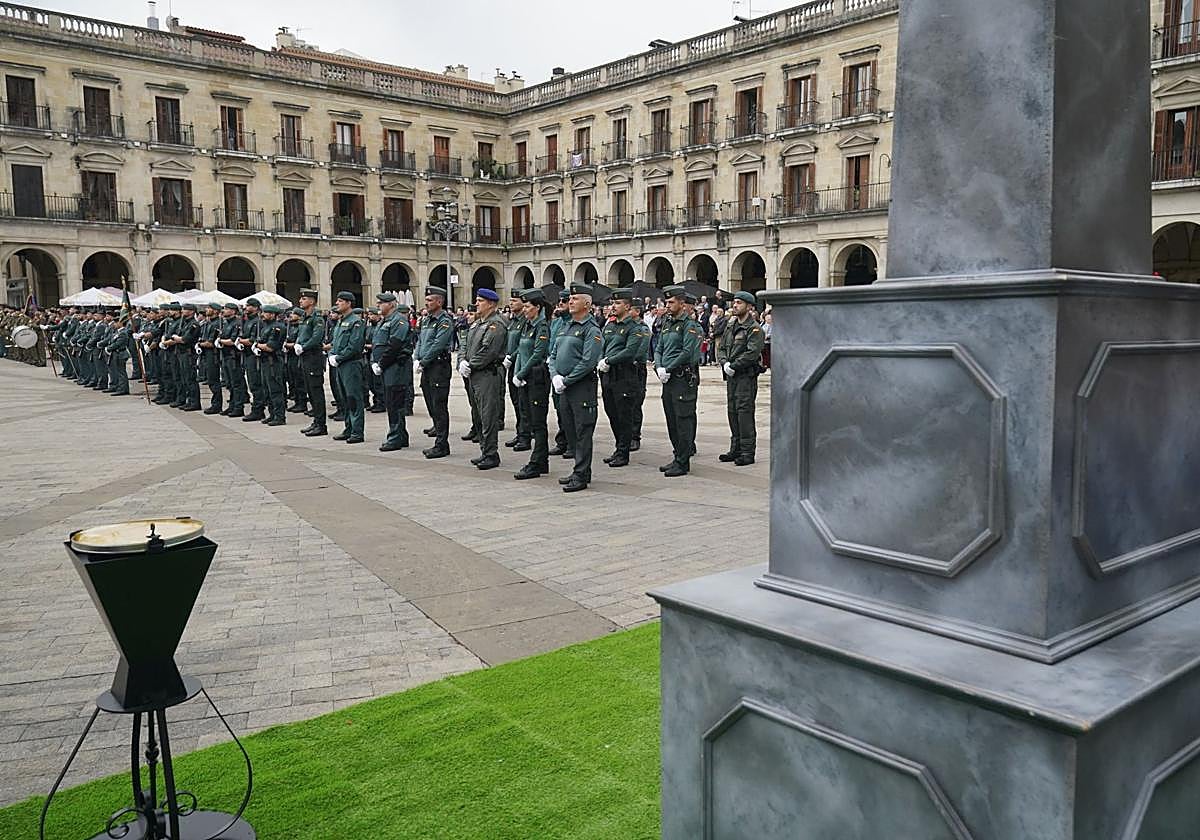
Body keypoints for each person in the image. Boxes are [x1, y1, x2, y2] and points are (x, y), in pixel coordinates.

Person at [550, 283, 602, 492]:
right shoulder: (566, 326)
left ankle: (581, 474)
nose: (570, 302)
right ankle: (579, 470)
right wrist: (555, 376)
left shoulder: (591, 330)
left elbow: (588, 361)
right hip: (564, 387)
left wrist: (567, 379)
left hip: (581, 387)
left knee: (582, 431)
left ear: (587, 304)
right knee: (570, 430)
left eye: (575, 299)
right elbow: (553, 355)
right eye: (570, 299)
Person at [654, 285, 702, 477]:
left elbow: (687, 352)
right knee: (671, 419)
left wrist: (669, 367)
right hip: (668, 378)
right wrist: (659, 367)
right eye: (666, 302)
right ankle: (677, 456)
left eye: (671, 302)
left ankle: (683, 461)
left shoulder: (689, 325)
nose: (667, 305)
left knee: (683, 420)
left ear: (682, 304)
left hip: (682, 378)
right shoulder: (667, 323)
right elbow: (658, 348)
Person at [459, 289, 507, 469]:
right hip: (474, 374)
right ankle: (484, 450)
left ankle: (491, 453)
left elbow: (489, 351)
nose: (476, 303)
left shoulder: (496, 325)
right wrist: (462, 360)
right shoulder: (477, 324)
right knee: (477, 414)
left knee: (488, 416)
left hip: (487, 374)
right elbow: (465, 344)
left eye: (480, 301)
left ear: (491, 304)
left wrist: (470, 364)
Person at [717, 291, 765, 466]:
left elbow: (752, 353)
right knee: (732, 411)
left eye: (739, 303)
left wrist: (734, 365)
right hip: (731, 375)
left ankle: (747, 451)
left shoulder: (754, 329)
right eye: (734, 303)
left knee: (744, 412)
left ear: (749, 306)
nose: (734, 306)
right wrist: (724, 363)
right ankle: (735, 448)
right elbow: (721, 348)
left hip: (745, 376)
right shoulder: (731, 326)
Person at [598, 288, 642, 468]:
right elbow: (602, 344)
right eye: (612, 303)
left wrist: (609, 360)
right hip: (608, 375)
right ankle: (618, 447)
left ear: (627, 306)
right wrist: (601, 359)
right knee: (612, 413)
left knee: (624, 416)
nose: (613, 307)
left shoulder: (634, 328)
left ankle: (623, 452)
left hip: (625, 375)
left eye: (617, 304)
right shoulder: (610, 325)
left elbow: (630, 351)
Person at [511, 288, 552, 480]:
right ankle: (540, 461)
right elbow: (521, 350)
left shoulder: (541, 327)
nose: (525, 309)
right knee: (529, 418)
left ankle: (537, 462)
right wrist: (518, 374)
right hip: (525, 378)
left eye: (527, 306)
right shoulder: (527, 325)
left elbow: (537, 354)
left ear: (537, 307)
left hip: (536, 378)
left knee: (538, 422)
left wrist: (521, 372)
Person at [370, 292, 413, 451]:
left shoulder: (398, 321)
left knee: (395, 403)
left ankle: (395, 437)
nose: (378, 305)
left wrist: (381, 363)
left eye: (381, 303)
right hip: (388, 367)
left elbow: (395, 345)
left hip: (396, 367)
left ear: (391, 305)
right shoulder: (385, 321)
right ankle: (401, 436)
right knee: (392, 402)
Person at [416, 286, 455, 458]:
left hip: (439, 367)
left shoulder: (444, 320)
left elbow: (438, 344)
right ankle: (437, 434)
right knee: (430, 402)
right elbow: (420, 341)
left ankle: (442, 444)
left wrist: (423, 361)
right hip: (427, 367)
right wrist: (417, 357)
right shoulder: (426, 319)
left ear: (440, 302)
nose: (427, 302)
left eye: (430, 300)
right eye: (426, 300)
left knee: (439, 405)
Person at [328, 291, 366, 443]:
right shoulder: (340, 321)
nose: (337, 303)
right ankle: (348, 427)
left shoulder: (356, 322)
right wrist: (332, 354)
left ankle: (357, 431)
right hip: (340, 364)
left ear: (349, 303)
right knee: (344, 397)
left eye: (340, 301)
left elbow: (355, 345)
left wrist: (339, 357)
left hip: (351, 364)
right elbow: (335, 342)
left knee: (353, 397)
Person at [295, 289, 328, 437]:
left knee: (316, 392)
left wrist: (304, 346)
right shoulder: (304, 317)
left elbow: (317, 337)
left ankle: (321, 425)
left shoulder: (317, 318)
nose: (300, 301)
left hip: (313, 358)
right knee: (310, 391)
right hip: (305, 358)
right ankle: (316, 421)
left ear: (312, 301)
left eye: (304, 299)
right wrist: (297, 344)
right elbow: (301, 335)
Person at [547, 290, 572, 457]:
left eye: (565, 300)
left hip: (570, 374)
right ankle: (562, 440)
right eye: (559, 300)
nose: (560, 303)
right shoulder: (556, 323)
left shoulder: (575, 323)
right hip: (555, 372)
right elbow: (551, 345)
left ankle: (572, 443)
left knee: (572, 411)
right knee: (559, 408)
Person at [254, 304, 288, 425]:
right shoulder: (265, 327)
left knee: (275, 390)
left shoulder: (277, 327)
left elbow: (270, 347)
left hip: (273, 362)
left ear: (273, 315)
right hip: (265, 361)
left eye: (266, 313)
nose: (263, 315)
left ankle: (279, 416)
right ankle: (272, 414)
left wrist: (257, 346)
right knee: (267, 389)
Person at [503, 293, 528, 451]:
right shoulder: (512, 321)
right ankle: (520, 431)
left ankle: (525, 433)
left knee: (522, 402)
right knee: (515, 400)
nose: (511, 303)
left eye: (514, 300)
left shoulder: (525, 321)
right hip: (511, 365)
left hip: (520, 363)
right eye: (510, 300)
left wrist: (511, 357)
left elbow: (522, 345)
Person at [627, 297, 650, 452]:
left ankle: (635, 436)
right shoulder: (626, 327)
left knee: (635, 403)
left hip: (636, 368)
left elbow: (641, 350)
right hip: (625, 368)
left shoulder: (643, 328)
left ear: (637, 311)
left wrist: (628, 358)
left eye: (631, 309)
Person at [238, 298, 266, 421]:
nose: (246, 308)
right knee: (252, 383)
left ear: (256, 308)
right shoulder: (247, 321)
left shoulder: (258, 322)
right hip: (247, 355)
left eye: (249, 306)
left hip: (254, 356)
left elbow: (252, 340)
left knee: (255, 383)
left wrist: (240, 340)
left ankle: (258, 410)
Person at [216, 302, 246, 417]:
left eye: (227, 309)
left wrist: (220, 341)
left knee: (236, 383)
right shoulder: (225, 323)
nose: (224, 310)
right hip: (226, 355)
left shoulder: (237, 323)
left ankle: (239, 407)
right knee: (229, 383)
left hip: (234, 357)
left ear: (233, 311)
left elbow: (232, 341)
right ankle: (232, 405)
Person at [173, 302, 201, 411]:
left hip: (189, 354)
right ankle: (189, 401)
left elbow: (185, 339)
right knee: (185, 378)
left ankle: (195, 403)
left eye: (185, 309)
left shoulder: (194, 324)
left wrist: (176, 338)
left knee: (190, 379)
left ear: (191, 311)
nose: (182, 311)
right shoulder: (184, 323)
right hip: (182, 353)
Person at [198, 303, 223, 414]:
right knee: (210, 380)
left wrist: (200, 344)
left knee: (213, 380)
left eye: (209, 308)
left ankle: (216, 405)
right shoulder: (209, 323)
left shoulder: (217, 323)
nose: (207, 310)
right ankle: (215, 404)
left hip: (213, 354)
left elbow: (210, 343)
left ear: (216, 311)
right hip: (206, 354)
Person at [284, 306, 308, 415]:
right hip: (290, 356)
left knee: (299, 381)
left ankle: (302, 403)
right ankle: (297, 401)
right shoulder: (291, 326)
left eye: (293, 314)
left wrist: (288, 345)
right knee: (292, 379)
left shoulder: (300, 327)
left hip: (297, 356)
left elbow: (299, 342)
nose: (291, 316)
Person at [104, 313, 131, 396]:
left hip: (121, 353)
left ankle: (123, 389)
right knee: (118, 371)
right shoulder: (117, 332)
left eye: (116, 322)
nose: (114, 324)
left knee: (121, 372)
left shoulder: (123, 332)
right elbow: (111, 341)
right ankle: (119, 387)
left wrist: (109, 348)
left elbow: (118, 343)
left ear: (120, 323)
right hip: (116, 353)